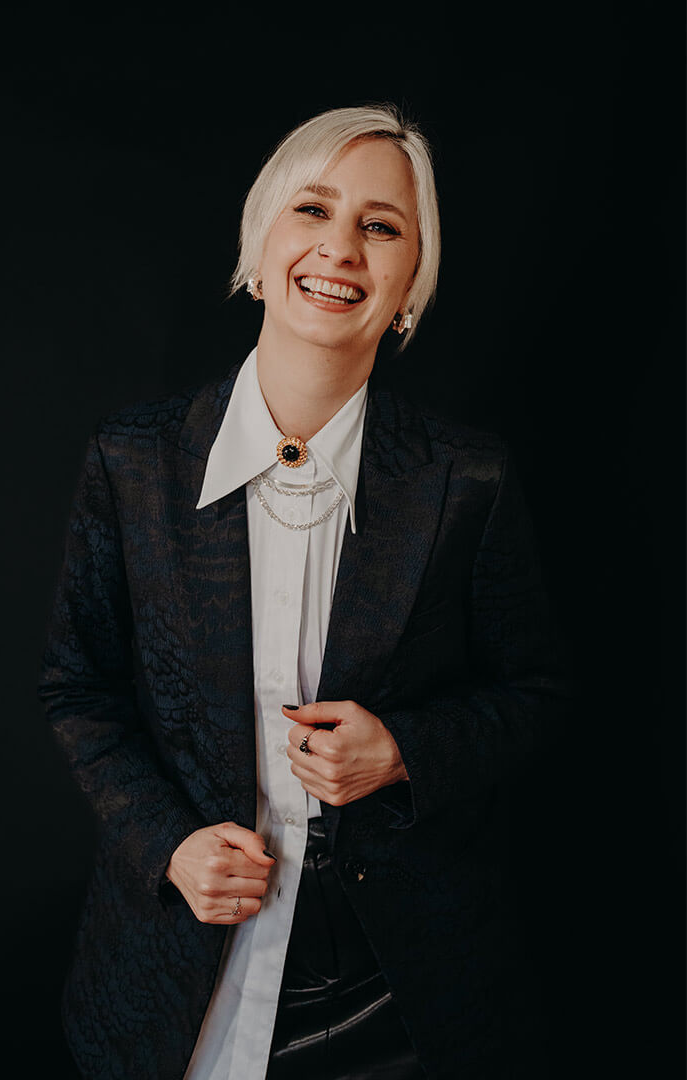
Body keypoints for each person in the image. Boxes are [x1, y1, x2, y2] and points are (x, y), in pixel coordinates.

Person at [39, 103, 568, 1080]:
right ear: (260, 241)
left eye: (380, 226)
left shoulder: (468, 480)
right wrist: (170, 845)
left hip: (393, 981)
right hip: (176, 970)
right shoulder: (134, 462)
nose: (340, 248)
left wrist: (404, 752)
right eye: (312, 210)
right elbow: (78, 689)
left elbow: (530, 696)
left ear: (409, 282)